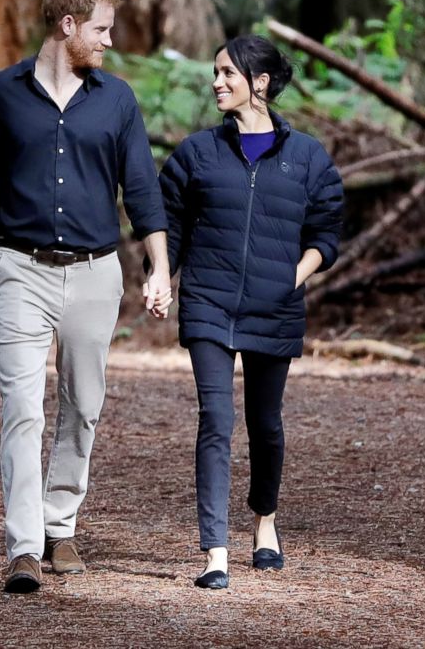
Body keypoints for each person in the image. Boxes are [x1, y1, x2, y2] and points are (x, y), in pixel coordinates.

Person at [0, 0, 172, 593]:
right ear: (67, 26)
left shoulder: (116, 100)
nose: (110, 42)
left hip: (96, 272)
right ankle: (22, 547)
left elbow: (142, 188)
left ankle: (58, 526)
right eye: (101, 29)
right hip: (21, 268)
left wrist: (160, 266)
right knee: (20, 409)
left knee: (83, 406)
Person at [159, 35, 344, 589]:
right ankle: (215, 551)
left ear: (259, 83)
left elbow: (327, 231)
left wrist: (292, 276)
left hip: (276, 307)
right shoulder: (196, 153)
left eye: (227, 73)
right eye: (214, 73)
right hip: (208, 302)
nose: (216, 82)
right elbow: (167, 224)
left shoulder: (307, 157)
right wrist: (160, 276)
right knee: (215, 421)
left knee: (265, 425)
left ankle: (265, 519)